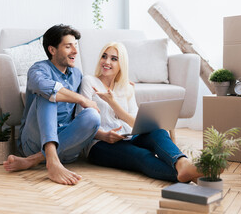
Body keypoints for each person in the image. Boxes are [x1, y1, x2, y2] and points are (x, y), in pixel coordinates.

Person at [76, 42, 203, 183]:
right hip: (99, 144)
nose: (106, 62)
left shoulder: (126, 87)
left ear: (121, 64)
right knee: (142, 155)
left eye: (114, 58)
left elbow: (135, 122)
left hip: (128, 136)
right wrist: (104, 135)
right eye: (104, 56)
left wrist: (113, 103)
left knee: (159, 132)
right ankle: (192, 175)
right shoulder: (89, 81)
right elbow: (81, 121)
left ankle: (183, 164)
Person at [3, 24, 101, 185]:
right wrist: (82, 99)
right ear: (52, 50)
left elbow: (80, 117)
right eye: (68, 46)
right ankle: (50, 156)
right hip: (34, 142)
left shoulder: (77, 74)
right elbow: (45, 87)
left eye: (75, 46)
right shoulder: (38, 69)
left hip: (67, 148)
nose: (75, 51)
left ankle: (35, 160)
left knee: (92, 114)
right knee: (47, 94)